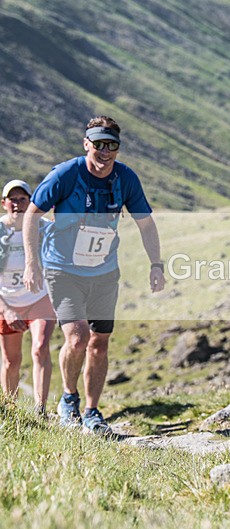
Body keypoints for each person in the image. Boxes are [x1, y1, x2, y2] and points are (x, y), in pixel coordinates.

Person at [22, 115, 166, 436]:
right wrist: (32, 263)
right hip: (63, 269)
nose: (104, 152)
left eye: (111, 146)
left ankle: (91, 412)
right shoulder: (65, 174)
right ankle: (68, 398)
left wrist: (156, 264)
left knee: (99, 343)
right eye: (98, 145)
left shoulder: (125, 179)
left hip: (104, 271)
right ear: (87, 144)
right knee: (77, 337)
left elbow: (145, 223)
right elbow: (32, 215)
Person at [0, 179, 56, 414]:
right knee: (11, 361)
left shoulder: (43, 226)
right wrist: (7, 310)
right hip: (6, 301)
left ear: (31, 202)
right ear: (4, 203)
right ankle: (10, 411)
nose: (18, 204)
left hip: (38, 298)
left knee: (40, 348)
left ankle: (40, 409)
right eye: (12, 199)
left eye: (23, 199)